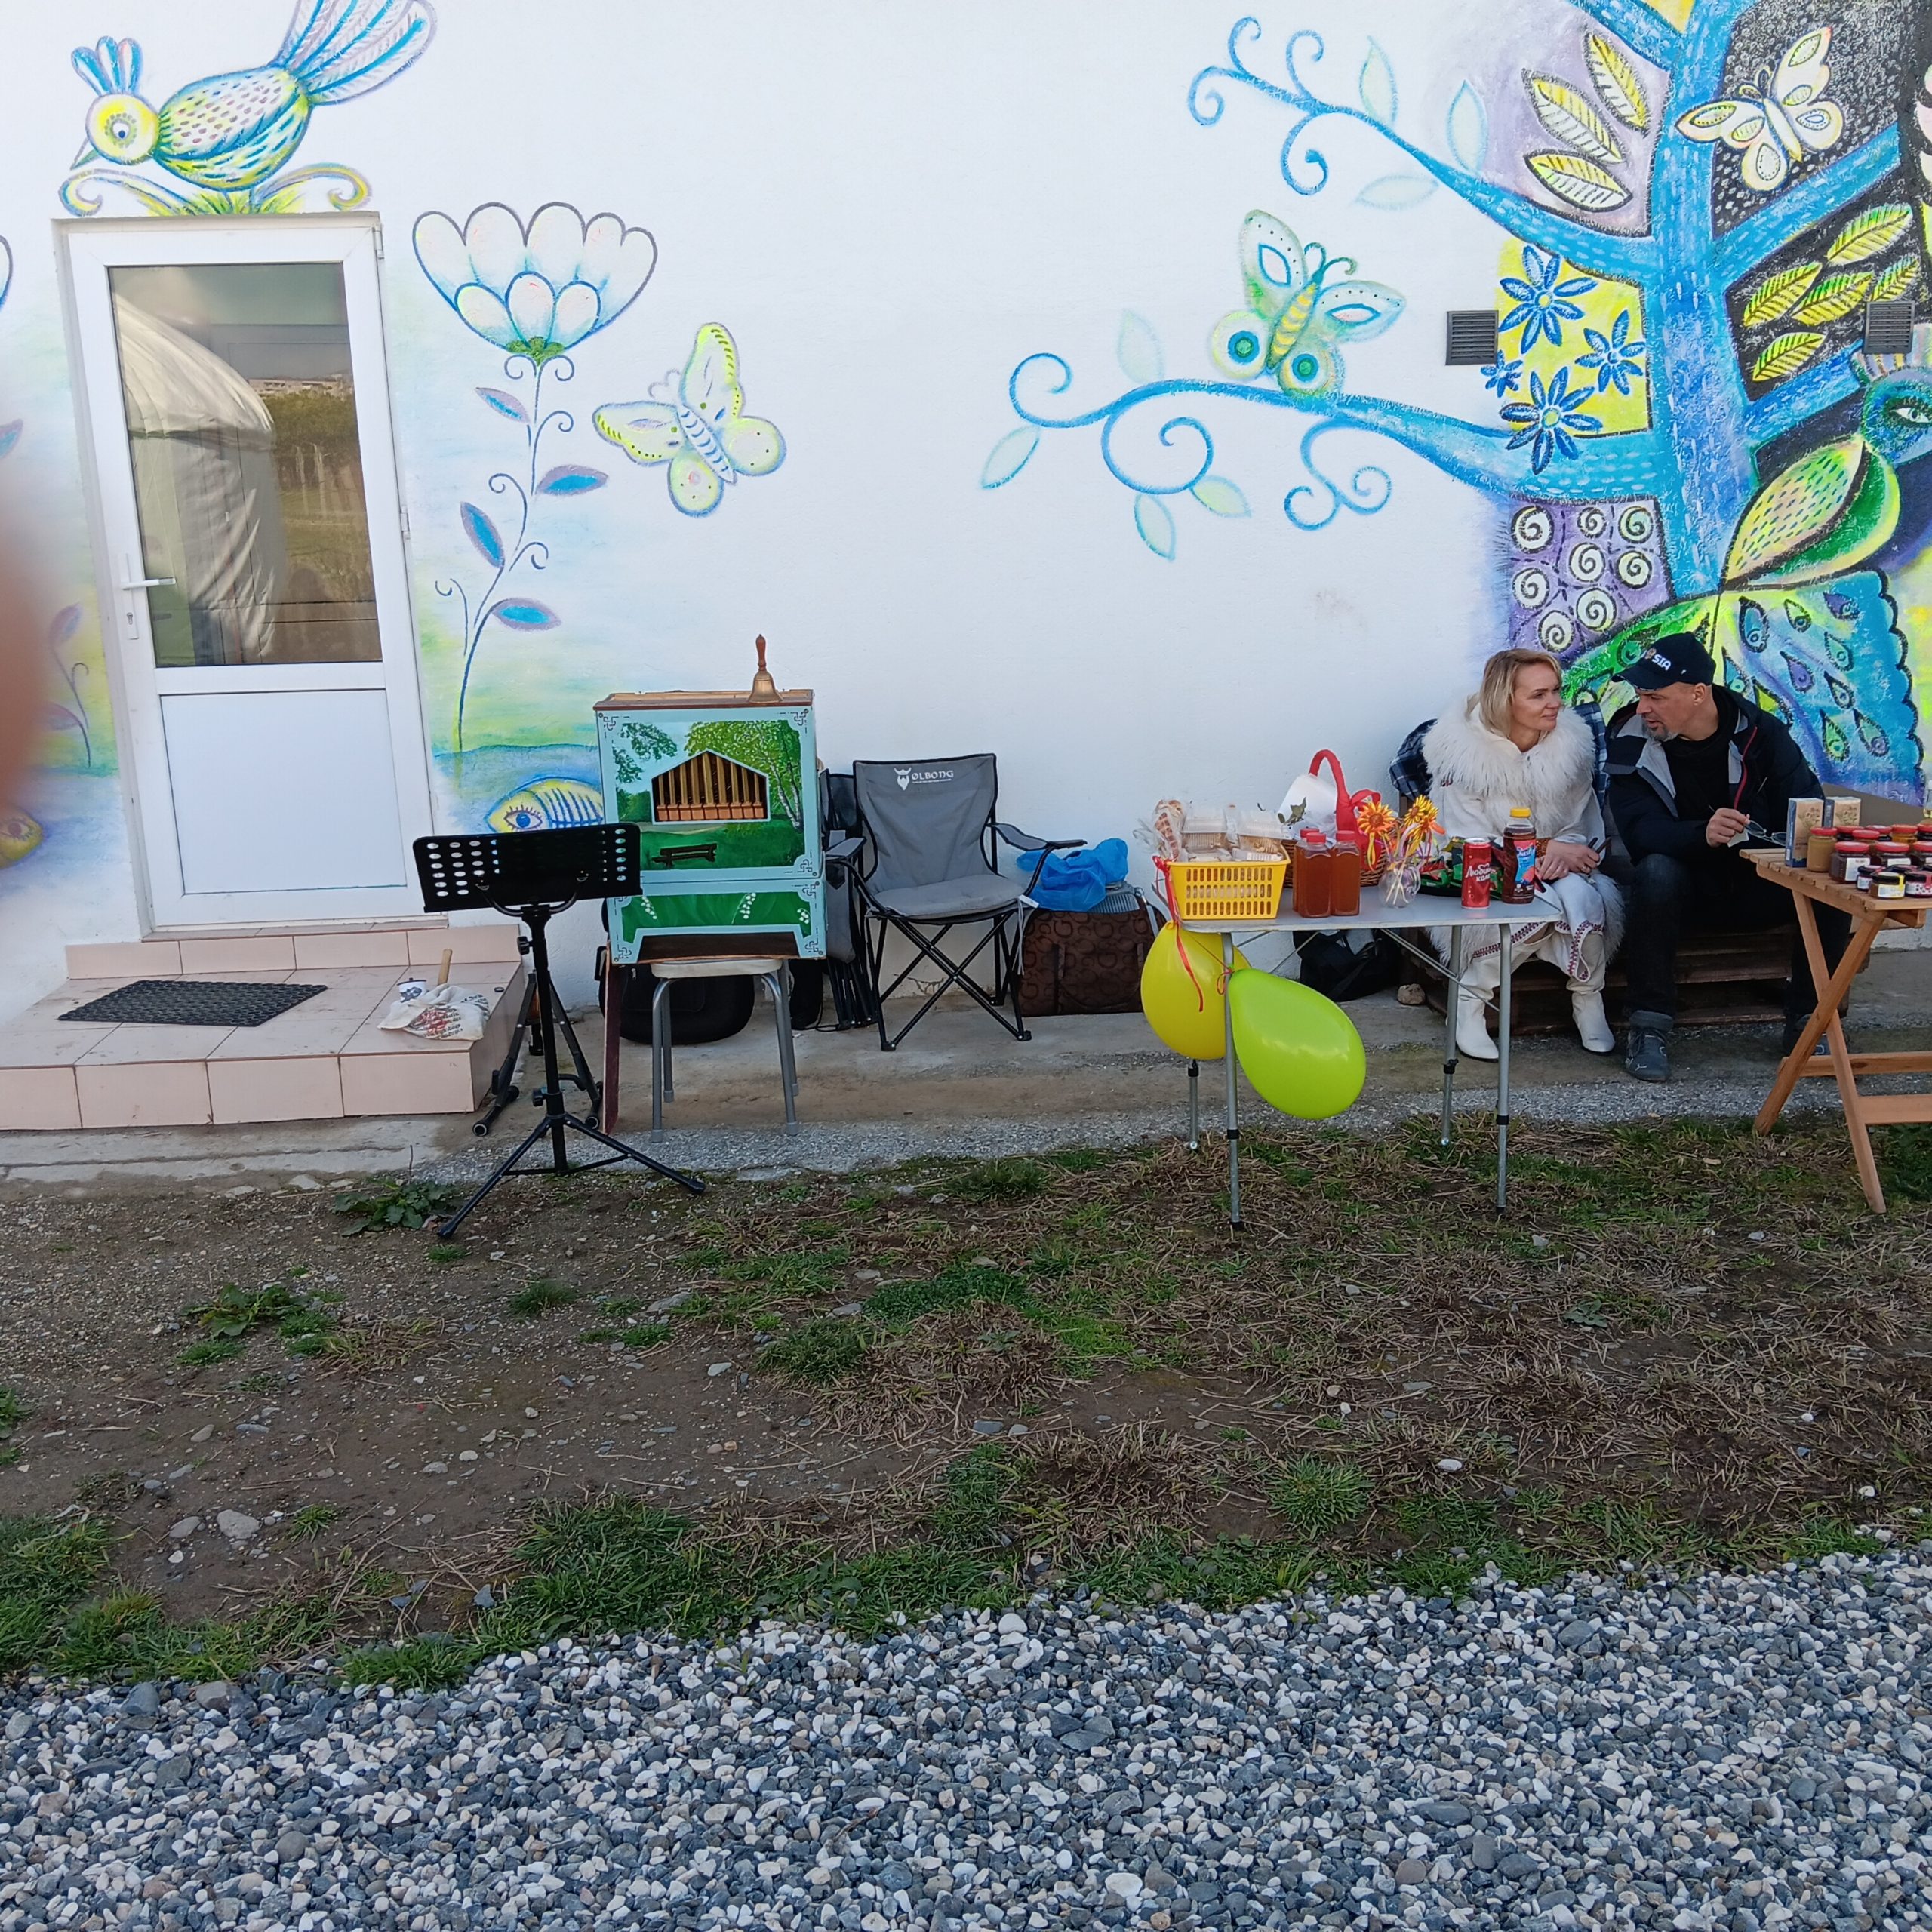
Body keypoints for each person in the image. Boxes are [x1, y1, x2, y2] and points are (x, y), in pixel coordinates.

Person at [1607, 630, 1850, 1083]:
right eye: (1640, 696)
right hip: (1682, 894)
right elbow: (1640, 833)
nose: (1642, 709)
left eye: (1655, 697)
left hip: (1761, 884)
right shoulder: (1630, 738)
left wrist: (1782, 845)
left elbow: (1809, 810)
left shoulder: (1762, 734)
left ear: (1699, 694)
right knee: (1656, 872)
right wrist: (1703, 834)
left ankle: (1811, 1023)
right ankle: (1649, 1027)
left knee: (1829, 876)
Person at [1420, 646, 1622, 1060]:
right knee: (1529, 905)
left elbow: (1581, 824)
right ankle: (1469, 1000)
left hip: (1558, 867)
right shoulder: (1463, 754)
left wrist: (1560, 855)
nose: (1555, 703)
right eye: (1539, 695)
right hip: (1480, 872)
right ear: (1504, 700)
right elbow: (1465, 841)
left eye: (1556, 691)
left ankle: (1588, 998)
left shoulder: (1571, 747)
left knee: (1583, 897)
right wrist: (1539, 850)